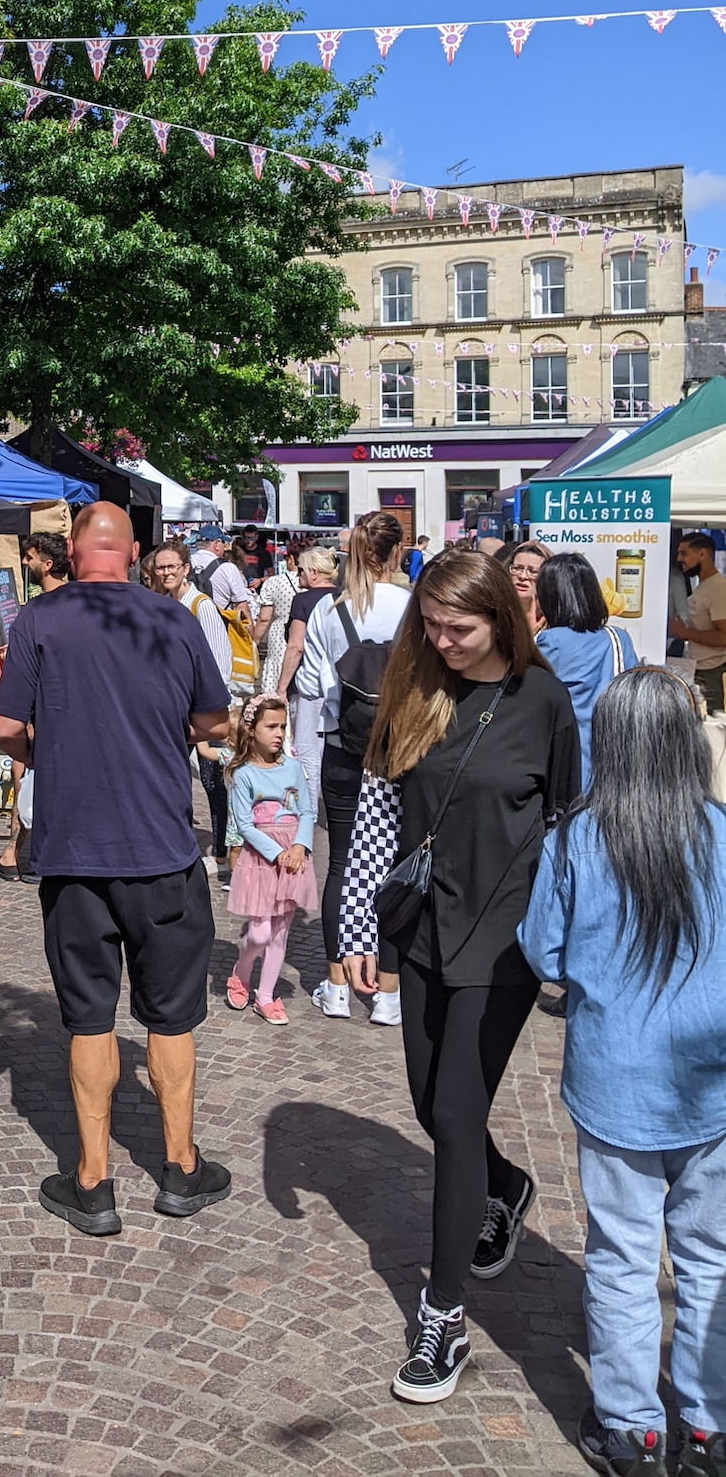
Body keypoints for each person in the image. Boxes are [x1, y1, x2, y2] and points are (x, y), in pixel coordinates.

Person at [339, 549, 581, 1405]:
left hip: (504, 942)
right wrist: (355, 921)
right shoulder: (414, 690)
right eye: (432, 625)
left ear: (502, 621)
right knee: (425, 1100)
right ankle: (504, 1185)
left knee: (452, 1110)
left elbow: (568, 823)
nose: (443, 640)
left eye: (461, 628)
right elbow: (374, 811)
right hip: (424, 928)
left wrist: (571, 948)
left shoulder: (543, 702)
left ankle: (443, 1316)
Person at [0, 503, 234, 1236]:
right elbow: (216, 723)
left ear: (70, 550)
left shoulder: (37, 620)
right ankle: (181, 1167)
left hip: (75, 856)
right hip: (161, 847)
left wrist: (48, 755)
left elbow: (4, 727)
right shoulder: (173, 619)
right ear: (132, 554)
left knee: (89, 1016)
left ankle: (93, 1182)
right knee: (172, 1015)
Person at [518, 667, 726, 1477]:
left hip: (616, 1081)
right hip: (711, 1080)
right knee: (709, 1257)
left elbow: (545, 952)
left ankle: (634, 1431)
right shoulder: (720, 831)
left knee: (622, 1256)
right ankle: (709, 1429)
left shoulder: (579, 837)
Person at [299, 511, 410, 1024]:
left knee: (342, 862)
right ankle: (388, 991)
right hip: (401, 750)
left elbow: (317, 689)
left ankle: (338, 983)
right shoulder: (413, 608)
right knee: (393, 864)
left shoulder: (328, 610)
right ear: (396, 553)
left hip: (344, 747)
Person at [224, 696, 317, 1024]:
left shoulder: (293, 767)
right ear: (251, 730)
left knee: (279, 933)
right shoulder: (243, 773)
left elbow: (306, 810)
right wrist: (276, 852)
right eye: (271, 726)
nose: (279, 733)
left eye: (282, 726)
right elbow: (245, 824)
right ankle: (241, 972)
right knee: (260, 932)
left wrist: (300, 846)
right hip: (263, 860)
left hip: (293, 858)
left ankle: (265, 995)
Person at [149, 541, 236, 866]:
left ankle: (222, 849)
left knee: (214, 781)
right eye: (161, 567)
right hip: (175, 705)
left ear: (186, 568)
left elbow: (219, 660)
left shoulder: (201, 605)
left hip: (203, 708)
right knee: (172, 773)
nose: (166, 572)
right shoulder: (165, 603)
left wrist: (208, 707)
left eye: (172, 566)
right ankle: (176, 838)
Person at [533, 552, 638, 789]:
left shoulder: (550, 642)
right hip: (618, 757)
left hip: (570, 761)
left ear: (550, 597)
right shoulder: (619, 638)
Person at [273, 545, 339, 809]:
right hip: (338, 683)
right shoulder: (345, 596)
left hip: (310, 685)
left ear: (313, 573)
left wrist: (281, 687)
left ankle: (306, 810)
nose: (297, 574)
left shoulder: (304, 600)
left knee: (307, 750)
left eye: (300, 569)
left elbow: (295, 646)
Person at [671, 533, 726, 716]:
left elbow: (724, 636)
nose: (679, 559)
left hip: (714, 673)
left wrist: (684, 632)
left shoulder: (718, 589)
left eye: (684, 553)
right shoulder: (704, 586)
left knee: (712, 731)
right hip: (701, 669)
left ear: (702, 554)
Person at [253, 561, 297, 701]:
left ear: (290, 559)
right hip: (304, 632)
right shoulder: (315, 583)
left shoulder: (274, 582)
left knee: (277, 668)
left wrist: (254, 642)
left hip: (280, 633)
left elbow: (264, 619)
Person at [190, 528, 256, 619]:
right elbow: (241, 606)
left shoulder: (184, 564)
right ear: (216, 544)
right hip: (219, 624)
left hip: (188, 622)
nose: (224, 548)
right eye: (223, 543)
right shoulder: (228, 568)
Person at [504, 541, 549, 635]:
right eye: (517, 568)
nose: (523, 576)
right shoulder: (496, 614)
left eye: (533, 571)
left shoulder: (553, 622)